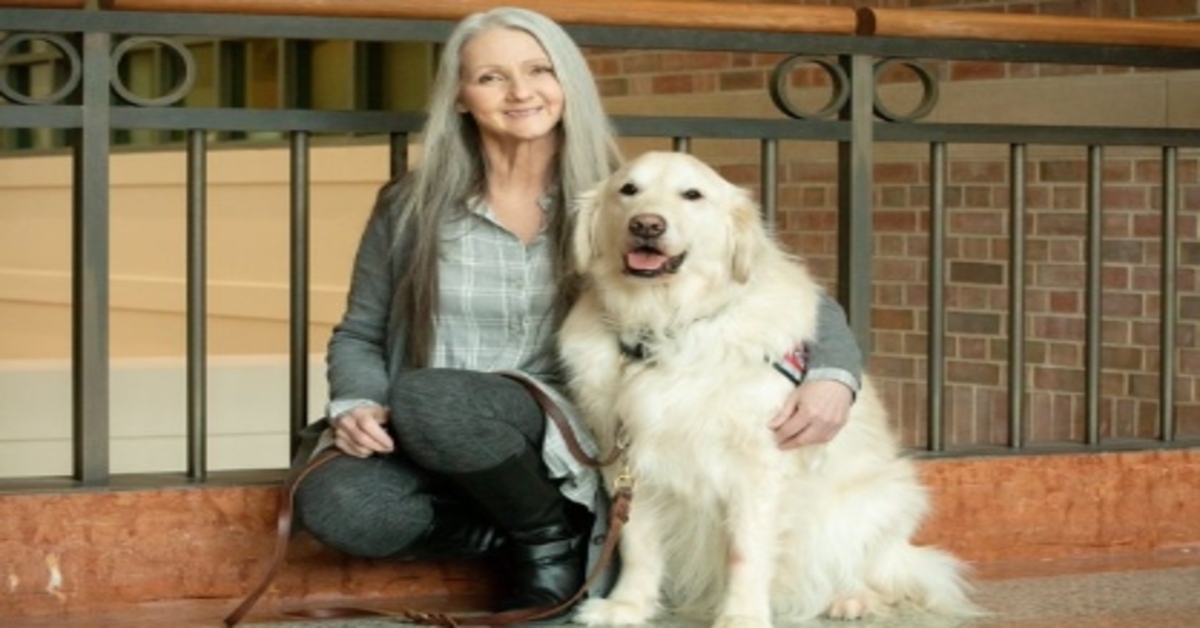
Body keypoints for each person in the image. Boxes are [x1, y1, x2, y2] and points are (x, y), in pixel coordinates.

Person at [293, 5, 864, 615]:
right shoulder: (411, 204)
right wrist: (356, 404)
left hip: (562, 426)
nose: (519, 92)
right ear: (460, 96)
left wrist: (833, 376)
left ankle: (550, 541)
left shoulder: (620, 191)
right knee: (338, 502)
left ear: (566, 84)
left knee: (434, 395)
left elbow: (779, 285)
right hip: (433, 428)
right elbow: (359, 331)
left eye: (539, 70)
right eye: (490, 77)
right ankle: (540, 537)